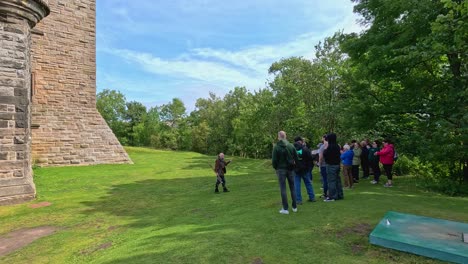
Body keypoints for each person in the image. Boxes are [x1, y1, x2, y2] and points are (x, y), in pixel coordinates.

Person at [272, 131, 298, 214]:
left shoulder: (276, 147)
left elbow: (274, 160)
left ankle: (285, 208)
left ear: (278, 137)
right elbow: (296, 158)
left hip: (281, 169)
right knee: (292, 187)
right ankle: (294, 206)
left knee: (283, 188)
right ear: (285, 136)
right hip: (290, 169)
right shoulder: (291, 145)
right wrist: (294, 166)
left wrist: (276, 168)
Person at [293, 136, 316, 204]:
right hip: (305, 169)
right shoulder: (305, 149)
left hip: (296, 169)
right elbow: (310, 158)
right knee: (308, 183)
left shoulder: (293, 149)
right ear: (300, 141)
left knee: (297, 184)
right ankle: (312, 197)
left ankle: (298, 200)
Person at [322, 133, 343, 202]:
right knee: (337, 180)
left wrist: (325, 149)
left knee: (331, 181)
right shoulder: (337, 146)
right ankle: (340, 194)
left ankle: (332, 197)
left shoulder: (330, 147)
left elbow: (325, 155)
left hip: (331, 165)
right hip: (337, 165)